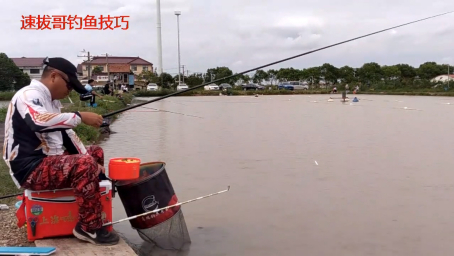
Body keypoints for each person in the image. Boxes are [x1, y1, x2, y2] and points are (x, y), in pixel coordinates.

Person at [2, 57, 120, 246]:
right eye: (69, 86)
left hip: (47, 161)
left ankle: (87, 210)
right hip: (29, 168)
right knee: (85, 164)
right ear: (54, 76)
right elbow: (37, 121)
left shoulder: (52, 102)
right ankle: (88, 228)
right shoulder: (28, 94)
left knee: (94, 153)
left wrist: (95, 166)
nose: (69, 91)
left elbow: (69, 137)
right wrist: (80, 117)